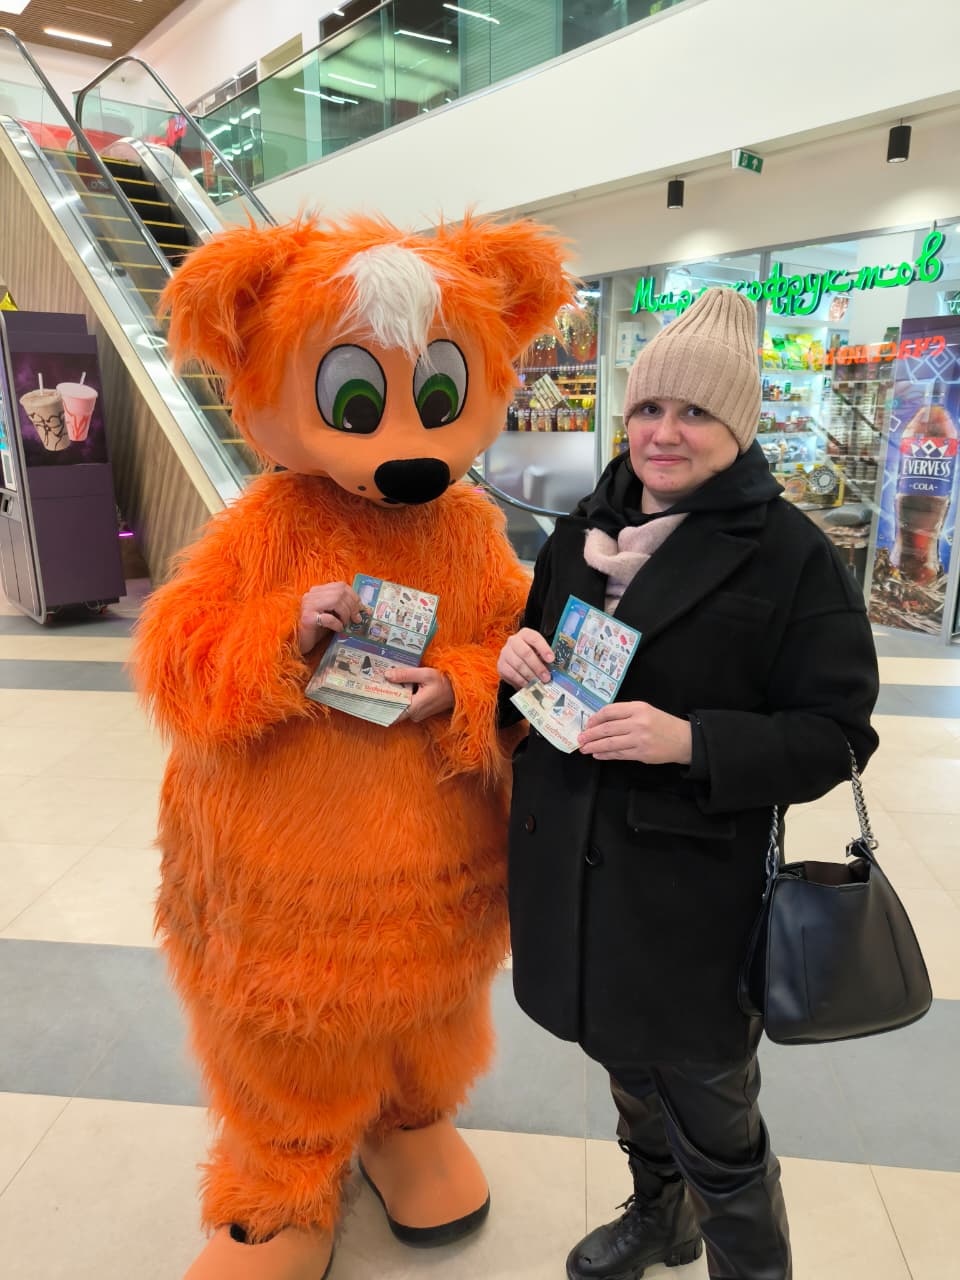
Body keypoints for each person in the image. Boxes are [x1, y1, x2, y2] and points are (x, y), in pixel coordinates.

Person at [497, 287, 879, 1280]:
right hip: (572, 876)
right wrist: (517, 662)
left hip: (689, 896)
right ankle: (660, 1219)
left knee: (715, 1114)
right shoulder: (580, 532)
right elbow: (539, 673)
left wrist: (693, 742)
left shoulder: (790, 556)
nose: (664, 433)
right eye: (649, 408)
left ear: (738, 425)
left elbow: (837, 735)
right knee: (626, 1071)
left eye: (696, 411)